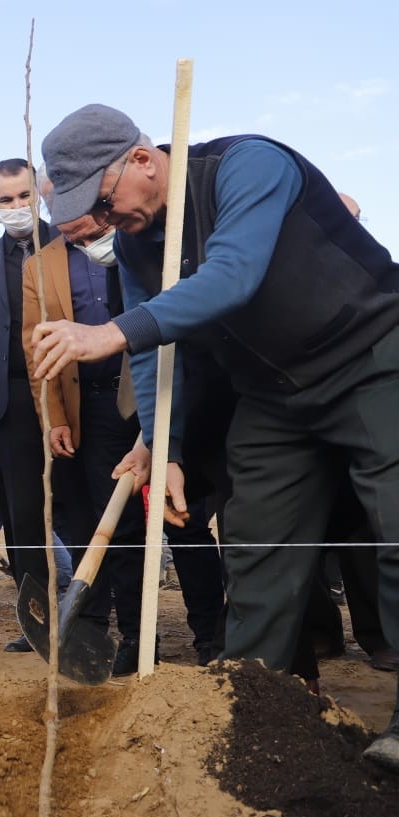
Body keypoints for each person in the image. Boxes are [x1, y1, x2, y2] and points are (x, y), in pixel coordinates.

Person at [32, 103, 399, 772]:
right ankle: (253, 716)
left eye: (107, 205)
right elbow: (153, 351)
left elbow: (233, 276)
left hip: (369, 357)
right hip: (272, 396)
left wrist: (109, 332)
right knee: (256, 549)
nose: (109, 224)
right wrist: (163, 446)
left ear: (143, 160)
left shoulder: (247, 166)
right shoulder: (142, 243)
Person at [20, 196, 153, 676]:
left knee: (150, 522)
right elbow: (36, 348)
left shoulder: (139, 241)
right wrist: (53, 416)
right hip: (88, 405)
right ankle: (108, 630)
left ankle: (152, 631)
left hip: (145, 393)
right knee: (98, 521)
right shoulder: (41, 265)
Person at [0, 159, 58, 653]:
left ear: (38, 195)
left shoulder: (69, 244)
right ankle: (39, 623)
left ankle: (105, 616)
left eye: (24, 196)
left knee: (79, 510)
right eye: (6, 200)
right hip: (10, 407)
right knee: (22, 519)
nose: (17, 207)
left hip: (66, 396)